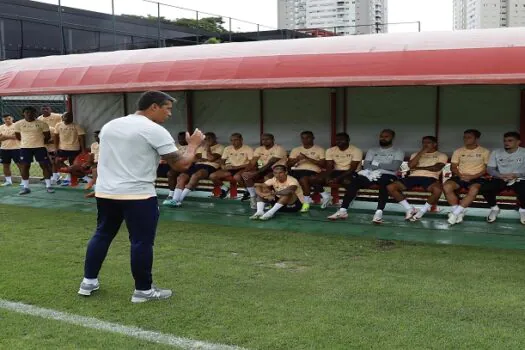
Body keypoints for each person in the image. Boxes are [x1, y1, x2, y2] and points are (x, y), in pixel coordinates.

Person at [78, 91, 204, 303]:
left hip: (107, 193)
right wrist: (193, 145)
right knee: (141, 242)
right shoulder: (154, 130)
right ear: (153, 107)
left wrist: (101, 185)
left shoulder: (111, 125)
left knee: (102, 234)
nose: (169, 113)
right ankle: (143, 291)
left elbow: (105, 160)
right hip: (138, 195)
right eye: (167, 108)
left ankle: (88, 282)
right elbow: (181, 164)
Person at [327, 129, 404, 223]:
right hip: (370, 174)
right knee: (354, 182)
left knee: (384, 183)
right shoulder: (372, 150)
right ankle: (343, 210)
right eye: (381, 136)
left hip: (388, 175)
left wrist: (375, 164)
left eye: (386, 136)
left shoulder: (398, 151)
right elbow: (367, 165)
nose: (383, 138)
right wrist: (382, 165)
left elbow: (394, 167)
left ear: (392, 137)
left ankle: (379, 212)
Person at [387, 136, 448, 221]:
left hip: (430, 177)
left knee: (438, 190)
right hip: (413, 177)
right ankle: (409, 209)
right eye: (424, 142)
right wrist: (421, 153)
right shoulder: (415, 154)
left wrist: (419, 168)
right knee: (390, 187)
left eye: (428, 142)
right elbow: (411, 166)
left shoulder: (441, 155)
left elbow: (436, 168)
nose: (425, 144)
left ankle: (422, 211)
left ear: (434, 144)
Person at [444, 129, 490, 225]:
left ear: (476, 139)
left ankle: (454, 214)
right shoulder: (458, 151)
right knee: (446, 186)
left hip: (477, 177)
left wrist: (472, 177)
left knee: (474, 189)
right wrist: (461, 175)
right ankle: (458, 212)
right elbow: (453, 167)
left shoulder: (485, 151)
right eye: (464, 137)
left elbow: (486, 169)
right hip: (460, 176)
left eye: (469, 137)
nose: (465, 139)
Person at [166, 132, 224, 207]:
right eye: (205, 139)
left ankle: (178, 200)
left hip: (210, 167)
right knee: (181, 177)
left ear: (214, 138)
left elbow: (211, 158)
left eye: (209, 138)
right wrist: (201, 158)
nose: (206, 140)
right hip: (197, 165)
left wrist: (208, 148)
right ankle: (174, 200)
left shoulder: (220, 147)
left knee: (195, 176)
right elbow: (195, 158)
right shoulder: (201, 147)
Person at [481, 132, 525, 224]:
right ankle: (494, 208)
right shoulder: (496, 152)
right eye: (505, 141)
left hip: (519, 179)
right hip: (501, 178)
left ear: (518, 142)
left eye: (510, 140)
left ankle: (523, 210)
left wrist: (516, 175)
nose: (506, 143)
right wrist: (501, 175)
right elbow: (490, 169)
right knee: (485, 188)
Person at [314, 132, 363, 209]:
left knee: (347, 182)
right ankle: (326, 196)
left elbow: (352, 168)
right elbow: (329, 166)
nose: (339, 142)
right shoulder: (330, 150)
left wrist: (337, 179)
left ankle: (347, 202)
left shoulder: (356, 150)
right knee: (316, 179)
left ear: (348, 140)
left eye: (342, 140)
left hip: (350, 172)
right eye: (337, 140)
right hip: (336, 171)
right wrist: (328, 176)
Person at [14, 106, 54, 195]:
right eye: (27, 112)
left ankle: (48, 186)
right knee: (25, 166)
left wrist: (39, 142)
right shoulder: (18, 124)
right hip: (25, 148)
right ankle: (26, 187)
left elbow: (47, 136)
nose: (29, 114)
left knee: (44, 165)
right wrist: (27, 142)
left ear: (35, 113)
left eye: (31, 112)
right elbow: (17, 136)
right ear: (23, 113)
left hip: (40, 147)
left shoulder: (42, 123)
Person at [240, 133, 287, 209]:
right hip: (264, 169)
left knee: (267, 178)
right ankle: (253, 197)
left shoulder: (279, 148)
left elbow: (270, 164)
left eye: (267, 139)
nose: (265, 141)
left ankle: (268, 200)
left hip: (278, 170)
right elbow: (252, 162)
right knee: (246, 175)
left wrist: (256, 173)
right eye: (263, 139)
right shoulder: (259, 149)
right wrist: (245, 172)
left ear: (273, 140)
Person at [287, 131, 326, 212]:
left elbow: (323, 164)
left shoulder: (319, 149)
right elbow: (288, 164)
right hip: (297, 170)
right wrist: (297, 159)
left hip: (312, 171)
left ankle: (306, 203)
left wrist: (306, 158)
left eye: (308, 137)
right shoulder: (296, 149)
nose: (305, 139)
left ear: (313, 138)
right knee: (286, 179)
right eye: (303, 138)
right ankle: (278, 202)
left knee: (303, 180)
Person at [209, 133, 253, 198]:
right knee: (212, 176)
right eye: (231, 140)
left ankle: (248, 191)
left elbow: (251, 163)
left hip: (242, 168)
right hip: (231, 168)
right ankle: (225, 188)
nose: (233, 142)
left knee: (237, 177)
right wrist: (222, 166)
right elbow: (222, 160)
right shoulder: (227, 148)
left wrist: (237, 167)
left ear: (241, 140)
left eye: (236, 140)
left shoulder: (248, 148)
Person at [54, 112, 87, 186]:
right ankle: (70, 175)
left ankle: (72, 181)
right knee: (57, 161)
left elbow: (82, 138)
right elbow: (56, 137)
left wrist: (83, 150)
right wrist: (56, 147)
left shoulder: (77, 126)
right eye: (66, 116)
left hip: (74, 149)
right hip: (62, 148)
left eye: (70, 117)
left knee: (74, 165)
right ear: (62, 117)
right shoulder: (58, 125)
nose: (69, 118)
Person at [38, 105, 63, 183]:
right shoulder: (39, 119)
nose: (45, 110)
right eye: (43, 109)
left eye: (47, 108)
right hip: (44, 143)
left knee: (56, 160)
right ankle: (51, 175)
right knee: (46, 161)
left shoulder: (58, 116)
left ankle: (58, 174)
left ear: (50, 109)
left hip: (56, 142)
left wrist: (55, 140)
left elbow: (61, 128)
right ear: (40, 110)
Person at [162, 132, 188, 202]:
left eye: (182, 138)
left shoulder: (191, 146)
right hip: (172, 164)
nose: (180, 140)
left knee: (171, 174)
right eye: (179, 138)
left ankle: (171, 194)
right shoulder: (175, 146)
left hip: (184, 166)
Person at [0, 114, 22, 187]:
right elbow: (0, 138)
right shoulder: (1, 127)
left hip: (16, 148)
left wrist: (5, 136)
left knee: (20, 165)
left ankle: (23, 180)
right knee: (5, 165)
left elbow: (19, 137)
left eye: (9, 118)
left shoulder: (17, 126)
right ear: (3, 120)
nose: (7, 120)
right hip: (4, 149)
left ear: (12, 118)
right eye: (5, 119)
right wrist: (12, 136)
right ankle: (8, 181)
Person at [84, 131, 100, 198]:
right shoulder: (93, 145)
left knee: (95, 169)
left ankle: (96, 190)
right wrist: (88, 163)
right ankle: (93, 184)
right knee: (77, 167)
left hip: (103, 163)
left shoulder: (107, 144)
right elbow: (92, 155)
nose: (96, 138)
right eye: (95, 136)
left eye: (97, 136)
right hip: (94, 162)